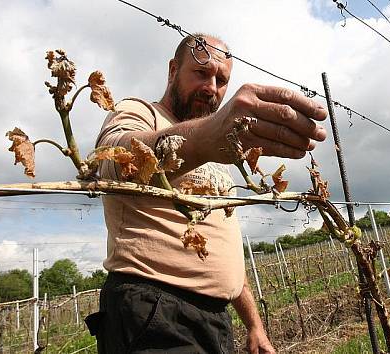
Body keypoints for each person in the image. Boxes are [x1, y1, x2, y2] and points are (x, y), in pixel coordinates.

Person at [85, 33, 327, 353]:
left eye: (221, 79)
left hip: (214, 319)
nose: (212, 87)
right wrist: (206, 138)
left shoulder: (217, 156)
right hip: (153, 312)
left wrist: (254, 326)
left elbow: (221, 249)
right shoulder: (139, 112)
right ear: (173, 70)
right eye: (201, 73)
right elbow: (115, 161)